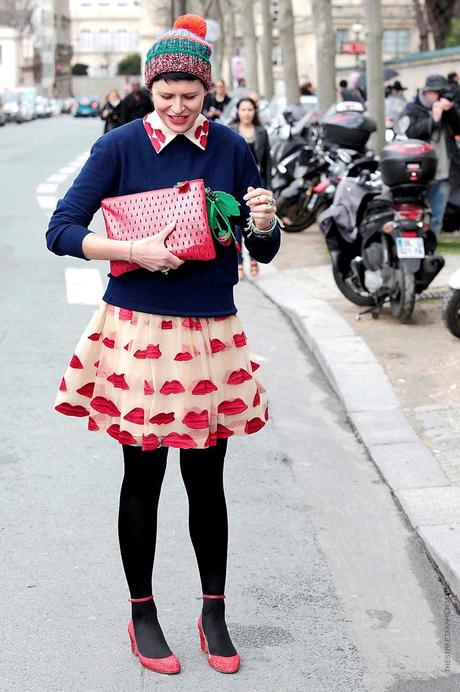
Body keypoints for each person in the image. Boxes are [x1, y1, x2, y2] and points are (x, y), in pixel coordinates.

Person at [46, 13, 280, 678]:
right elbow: (61, 229)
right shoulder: (120, 147)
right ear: (151, 88)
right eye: (166, 95)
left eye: (191, 95)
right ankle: (143, 612)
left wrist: (264, 224)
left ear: (209, 90)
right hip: (138, 331)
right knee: (141, 478)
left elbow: (258, 247)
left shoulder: (232, 147)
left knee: (208, 482)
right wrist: (132, 251)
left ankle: (213, 612)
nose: (178, 107)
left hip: (211, 329)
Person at [402, 74, 460, 236]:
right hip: (418, 172)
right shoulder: (413, 109)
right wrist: (433, 120)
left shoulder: (447, 111)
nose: (438, 97)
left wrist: (450, 111)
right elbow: (410, 132)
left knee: (436, 216)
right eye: (436, 93)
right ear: (427, 92)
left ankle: (430, 248)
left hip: (443, 171)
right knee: (415, 214)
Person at [230, 97, 272, 278]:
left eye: (250, 109)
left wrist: (269, 188)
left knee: (255, 221)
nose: (247, 113)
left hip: (256, 186)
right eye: (243, 109)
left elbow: (267, 162)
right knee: (237, 225)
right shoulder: (230, 131)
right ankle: (239, 261)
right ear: (238, 111)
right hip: (235, 185)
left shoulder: (262, 132)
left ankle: (254, 258)